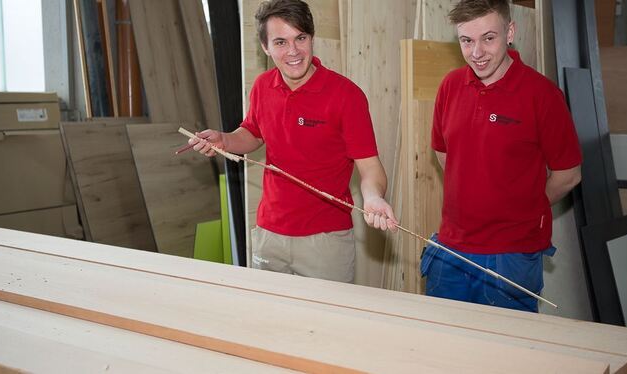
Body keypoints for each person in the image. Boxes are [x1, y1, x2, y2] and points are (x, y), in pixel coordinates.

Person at [189, 0, 397, 283]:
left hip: (325, 241)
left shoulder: (346, 96)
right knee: (269, 320)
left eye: (300, 38)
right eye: (280, 42)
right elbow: (252, 133)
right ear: (265, 47)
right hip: (269, 233)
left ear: (311, 38)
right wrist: (224, 140)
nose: (293, 51)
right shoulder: (263, 86)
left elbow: (370, 168)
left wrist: (373, 197)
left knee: (327, 324)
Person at [421, 0, 582, 312]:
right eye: (466, 41)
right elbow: (443, 154)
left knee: (507, 356)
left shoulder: (542, 95)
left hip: (511, 257)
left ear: (510, 32)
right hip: (450, 250)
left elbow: (569, 175)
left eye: (488, 38)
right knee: (443, 350)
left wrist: (519, 207)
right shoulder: (450, 87)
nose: (477, 53)